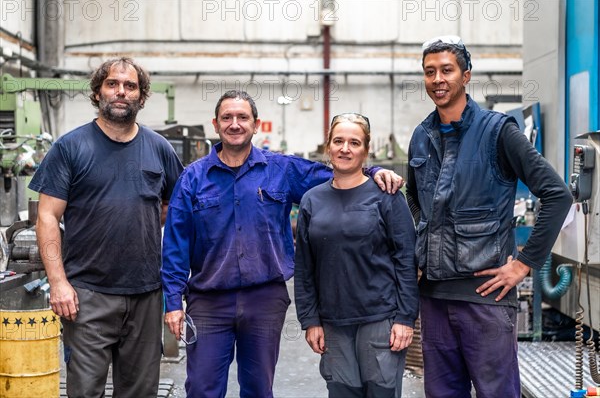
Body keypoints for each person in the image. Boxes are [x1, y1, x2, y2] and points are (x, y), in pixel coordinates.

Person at [161, 90, 404, 398]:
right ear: (215, 124)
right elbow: (175, 244)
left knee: (259, 388)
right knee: (202, 389)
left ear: (255, 124)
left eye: (242, 117)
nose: (235, 124)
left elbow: (336, 174)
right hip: (209, 301)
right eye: (227, 118)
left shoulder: (281, 170)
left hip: (264, 300)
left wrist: (374, 171)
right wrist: (172, 303)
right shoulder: (193, 178)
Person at [406, 36, 572, 398]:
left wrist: (524, 264)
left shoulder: (498, 131)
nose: (438, 79)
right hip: (433, 297)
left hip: (485, 298)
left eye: (447, 70)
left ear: (466, 75)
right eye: (429, 72)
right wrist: (423, 242)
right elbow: (414, 198)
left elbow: (558, 195)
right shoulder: (421, 136)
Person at [30, 57, 184, 398]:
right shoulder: (70, 147)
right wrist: (58, 283)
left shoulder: (159, 148)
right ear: (98, 91)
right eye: (112, 83)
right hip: (87, 296)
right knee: (85, 391)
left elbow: (178, 207)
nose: (121, 92)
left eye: (130, 86)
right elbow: (47, 217)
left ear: (141, 97)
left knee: (139, 392)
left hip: (146, 294)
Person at [294, 113, 419, 397]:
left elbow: (406, 260)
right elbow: (304, 266)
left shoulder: (386, 196)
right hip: (333, 323)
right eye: (338, 141)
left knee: (381, 392)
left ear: (366, 150)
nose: (345, 148)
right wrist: (310, 320)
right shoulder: (312, 200)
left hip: (380, 320)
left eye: (354, 142)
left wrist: (405, 318)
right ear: (329, 146)